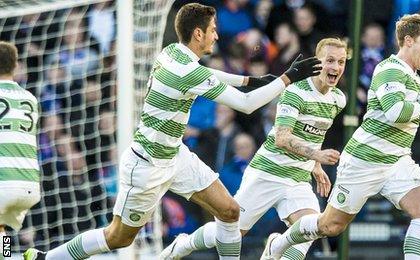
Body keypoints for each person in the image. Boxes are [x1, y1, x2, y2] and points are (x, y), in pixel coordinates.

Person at [24, 3, 320, 260]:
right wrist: (288, 77)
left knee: (230, 211)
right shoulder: (186, 71)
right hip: (146, 165)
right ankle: (47, 257)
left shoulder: (173, 53)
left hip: (175, 156)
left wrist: (249, 79)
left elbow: (209, 74)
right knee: (118, 237)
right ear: (198, 34)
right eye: (213, 29)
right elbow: (245, 106)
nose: (217, 35)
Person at [261, 13, 420, 260]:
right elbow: (396, 111)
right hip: (363, 161)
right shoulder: (390, 69)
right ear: (409, 41)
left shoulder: (413, 77)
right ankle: (278, 244)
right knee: (330, 226)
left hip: (396, 160)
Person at [159, 37, 348, 260]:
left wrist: (315, 165)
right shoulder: (296, 92)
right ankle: (184, 244)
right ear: (318, 62)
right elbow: (282, 138)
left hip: (297, 178)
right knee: (231, 232)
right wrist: (317, 155)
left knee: (310, 229)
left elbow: (314, 133)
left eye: (342, 62)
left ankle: (276, 248)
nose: (336, 67)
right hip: (267, 173)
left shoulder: (338, 99)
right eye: (330, 61)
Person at [0, 41, 41, 240]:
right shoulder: (30, 98)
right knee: (1, 229)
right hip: (29, 185)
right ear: (16, 66)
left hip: (3, 182)